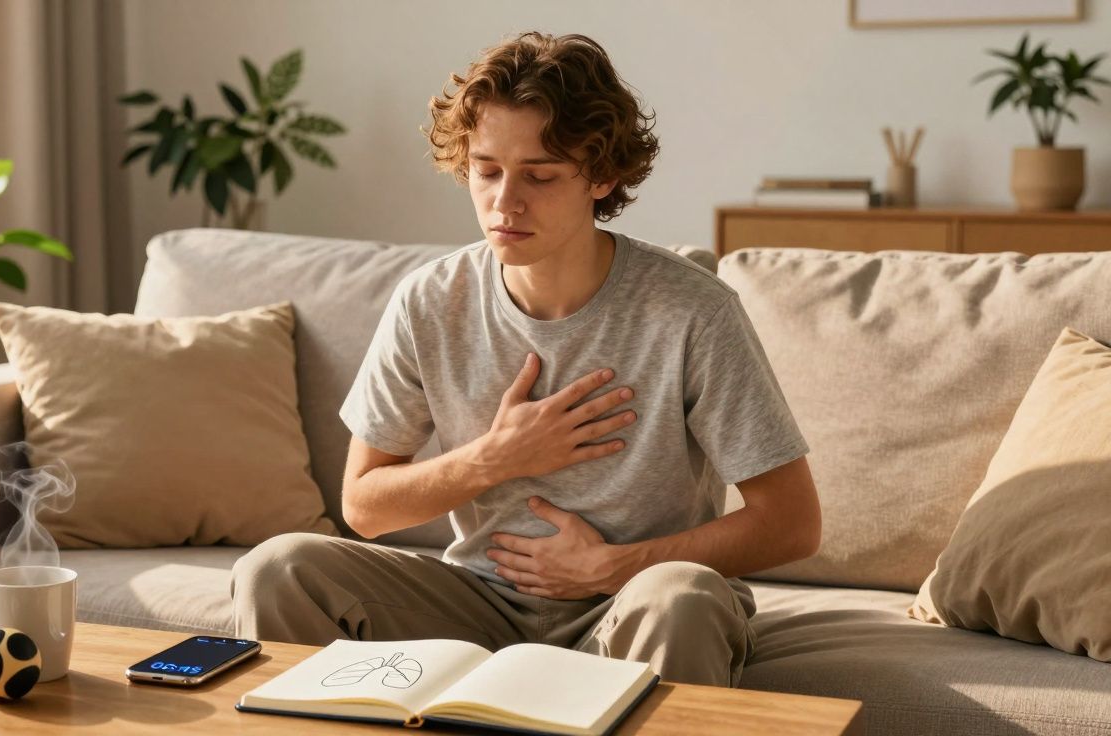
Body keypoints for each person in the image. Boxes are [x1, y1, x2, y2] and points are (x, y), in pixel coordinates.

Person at [232, 30, 821, 688]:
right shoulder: (430, 301)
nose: (504, 202)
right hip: (476, 603)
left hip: (634, 603)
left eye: (539, 176)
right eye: (486, 170)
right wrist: (496, 458)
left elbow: (792, 524)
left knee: (681, 597)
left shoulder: (692, 312)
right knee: (278, 570)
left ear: (603, 176)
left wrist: (614, 566)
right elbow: (365, 506)